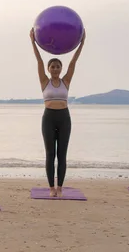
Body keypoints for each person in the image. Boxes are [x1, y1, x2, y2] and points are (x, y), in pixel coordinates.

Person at [29, 28, 86, 197]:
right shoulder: (44, 81)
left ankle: (60, 186)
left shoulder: (65, 81)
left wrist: (82, 43)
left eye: (57, 66)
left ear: (60, 69)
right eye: (52, 66)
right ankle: (51, 187)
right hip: (49, 118)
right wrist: (33, 42)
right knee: (50, 153)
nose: (55, 69)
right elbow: (39, 62)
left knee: (62, 153)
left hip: (64, 117)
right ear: (48, 69)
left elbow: (73, 63)